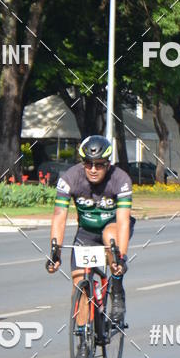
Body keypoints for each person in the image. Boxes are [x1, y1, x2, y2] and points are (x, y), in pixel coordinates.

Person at [45, 135, 134, 323]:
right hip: (86, 233)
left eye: (99, 164)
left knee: (110, 235)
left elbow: (124, 221)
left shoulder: (120, 179)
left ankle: (117, 289)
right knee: (79, 286)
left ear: (108, 164)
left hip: (113, 228)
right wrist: (55, 252)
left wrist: (122, 258)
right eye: (88, 164)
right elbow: (59, 216)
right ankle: (84, 344)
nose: (93, 169)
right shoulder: (70, 178)